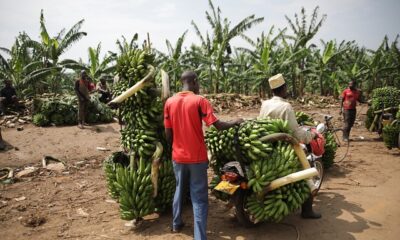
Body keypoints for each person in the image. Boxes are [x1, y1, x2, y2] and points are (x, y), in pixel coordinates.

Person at [164, 71, 243, 240]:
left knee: (179, 189)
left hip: (178, 157)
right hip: (197, 158)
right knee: (199, 197)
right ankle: (199, 236)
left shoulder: (169, 102)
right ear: (194, 82)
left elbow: (168, 134)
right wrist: (235, 122)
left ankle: (176, 224)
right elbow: (217, 125)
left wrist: (175, 149)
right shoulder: (200, 101)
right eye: (198, 83)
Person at [259, 73, 321, 219]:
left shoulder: (265, 104)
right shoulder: (285, 107)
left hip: (266, 146)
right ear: (283, 88)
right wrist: (311, 135)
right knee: (306, 169)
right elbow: (297, 133)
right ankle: (307, 210)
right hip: (284, 148)